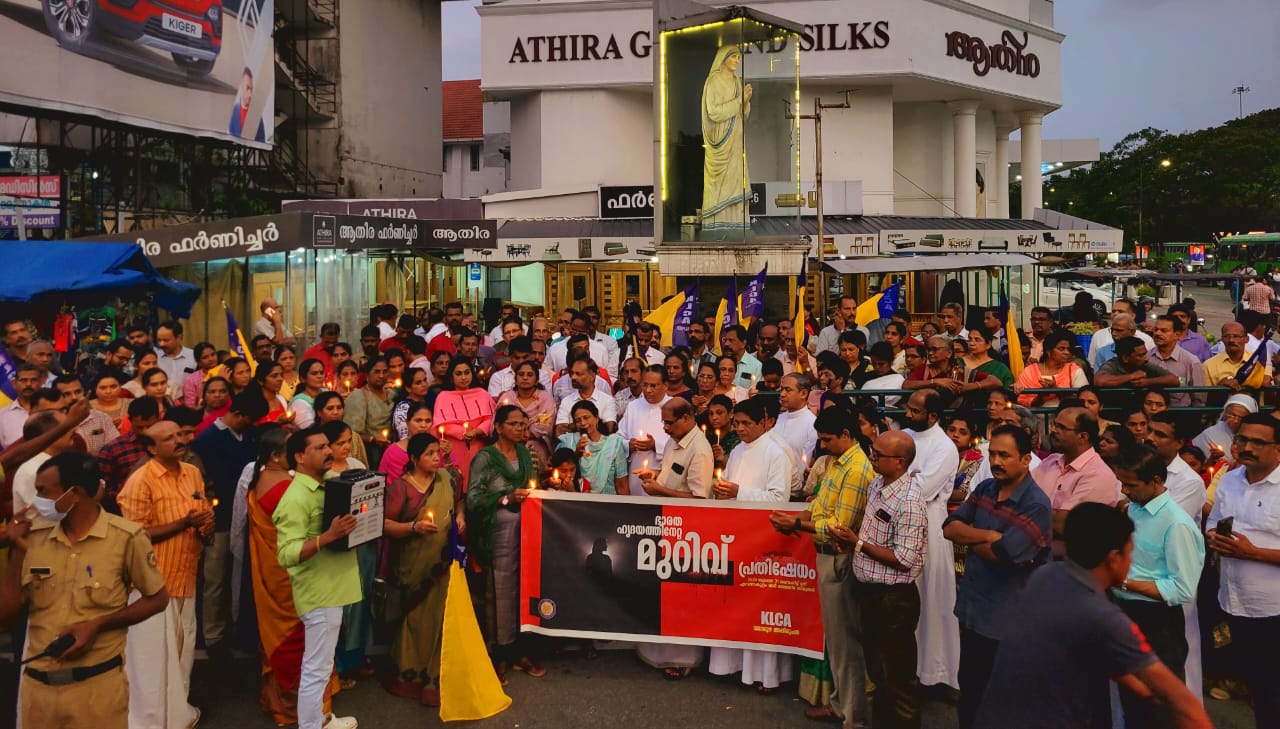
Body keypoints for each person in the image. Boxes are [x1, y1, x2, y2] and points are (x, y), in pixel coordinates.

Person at [974, 503, 1212, 729]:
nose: (1132, 561)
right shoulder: (1102, 617)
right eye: (1131, 553)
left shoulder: (1045, 576)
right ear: (1114, 558)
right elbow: (1185, 705)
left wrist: (1147, 692)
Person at [0, 452, 169, 729]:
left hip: (97, 692)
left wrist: (99, 624)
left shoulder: (126, 537)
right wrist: (17, 550)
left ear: (74, 493)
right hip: (38, 693)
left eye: (44, 491)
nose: (37, 500)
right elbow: (5, 616)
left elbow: (157, 599)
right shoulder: (33, 537)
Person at [768, 406, 875, 727]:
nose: (823, 445)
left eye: (828, 439)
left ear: (846, 435)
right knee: (837, 641)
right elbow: (820, 506)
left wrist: (796, 525)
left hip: (839, 558)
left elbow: (840, 526)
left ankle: (853, 717)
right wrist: (799, 518)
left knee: (845, 644)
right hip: (827, 554)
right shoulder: (837, 463)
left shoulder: (855, 469)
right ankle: (841, 705)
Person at [943, 425, 1051, 729]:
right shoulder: (986, 489)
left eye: (1005, 455)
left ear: (1026, 459)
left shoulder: (1036, 504)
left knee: (1002, 706)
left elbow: (1005, 553)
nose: (996, 461)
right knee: (970, 696)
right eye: (992, 454)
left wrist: (973, 538)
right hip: (973, 611)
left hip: (1007, 622)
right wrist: (989, 536)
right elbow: (949, 528)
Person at [826, 430, 925, 729]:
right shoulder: (877, 485)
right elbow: (871, 536)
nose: (872, 457)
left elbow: (904, 558)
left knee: (898, 679)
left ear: (900, 461)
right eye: (873, 451)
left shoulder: (909, 501)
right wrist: (851, 543)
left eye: (879, 455)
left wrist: (857, 543)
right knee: (879, 673)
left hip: (892, 599)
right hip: (869, 592)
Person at [118, 422, 214, 728]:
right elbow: (135, 534)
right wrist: (184, 524)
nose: (179, 440)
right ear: (151, 448)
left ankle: (176, 715)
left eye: (180, 435)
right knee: (151, 661)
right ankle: (147, 721)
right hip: (152, 584)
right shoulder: (140, 481)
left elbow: (200, 515)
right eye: (169, 438)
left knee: (182, 652)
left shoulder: (192, 472)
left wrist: (205, 525)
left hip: (185, 576)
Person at [246, 427, 341, 725]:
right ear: (277, 456)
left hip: (275, 576)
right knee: (304, 650)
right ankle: (301, 714)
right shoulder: (286, 491)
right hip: (292, 577)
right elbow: (300, 540)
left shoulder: (264, 477)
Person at [1111, 446, 1206, 727]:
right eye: (1122, 483)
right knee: (1132, 705)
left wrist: (1124, 582)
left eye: (1131, 485)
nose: (1124, 490)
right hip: (1125, 614)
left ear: (1155, 480)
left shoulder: (1177, 524)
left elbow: (1181, 589)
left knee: (1158, 711)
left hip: (1157, 625)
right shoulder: (1134, 509)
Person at [274, 428, 361, 729]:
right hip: (319, 592)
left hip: (332, 586)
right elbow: (286, 553)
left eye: (328, 446)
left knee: (322, 665)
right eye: (320, 447)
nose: (328, 451)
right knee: (316, 668)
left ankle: (320, 720)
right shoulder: (295, 498)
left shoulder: (329, 483)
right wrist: (328, 537)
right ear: (299, 456)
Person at [708, 398, 794, 694]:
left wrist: (739, 491)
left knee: (761, 609)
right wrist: (723, 491)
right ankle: (732, 665)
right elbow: (731, 487)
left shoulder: (776, 452)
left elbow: (779, 499)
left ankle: (766, 675)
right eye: (737, 424)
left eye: (747, 423)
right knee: (736, 604)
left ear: (763, 423)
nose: (741, 429)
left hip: (764, 538)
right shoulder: (736, 451)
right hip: (737, 535)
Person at [1205, 413, 1280, 728]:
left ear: (1278, 448)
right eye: (1242, 439)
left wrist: (1253, 553)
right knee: (1258, 687)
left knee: (1272, 691)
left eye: (1258, 442)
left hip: (1274, 609)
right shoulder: (1230, 479)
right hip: (1234, 601)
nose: (1247, 447)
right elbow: (1213, 521)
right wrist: (1213, 536)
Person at [465, 406, 545, 683]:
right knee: (499, 591)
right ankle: (499, 654)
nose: (520, 429)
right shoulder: (485, 458)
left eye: (523, 424)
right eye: (514, 424)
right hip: (498, 531)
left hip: (527, 529)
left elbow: (535, 485)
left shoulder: (525, 453)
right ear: (498, 427)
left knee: (525, 587)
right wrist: (504, 499)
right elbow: (473, 499)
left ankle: (521, 651)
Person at [381, 433, 457, 707]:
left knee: (440, 619)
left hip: (442, 563)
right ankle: (408, 677)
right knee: (415, 621)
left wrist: (460, 518)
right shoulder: (400, 488)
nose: (437, 458)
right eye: (429, 454)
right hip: (413, 568)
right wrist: (414, 527)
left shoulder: (448, 479)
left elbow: (460, 503)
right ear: (414, 459)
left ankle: (436, 677)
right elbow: (384, 524)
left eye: (438, 452)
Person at [191, 392, 266, 657]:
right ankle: (213, 634)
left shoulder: (249, 434)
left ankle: (238, 627)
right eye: (251, 420)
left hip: (247, 517)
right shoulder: (207, 441)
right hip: (221, 518)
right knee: (216, 578)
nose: (253, 425)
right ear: (238, 415)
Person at [899, 389, 960, 691]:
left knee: (933, 601)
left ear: (933, 416)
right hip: (900, 524)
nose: (908, 414)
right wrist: (907, 478)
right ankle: (907, 671)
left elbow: (922, 489)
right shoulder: (904, 436)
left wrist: (903, 479)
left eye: (915, 411)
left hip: (930, 523)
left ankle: (936, 674)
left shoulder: (945, 447)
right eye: (908, 408)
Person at [1031, 407, 1118, 554]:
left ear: (1083, 436)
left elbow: (1063, 525)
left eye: (1061, 427)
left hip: (1068, 560)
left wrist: (1028, 509)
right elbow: (1017, 495)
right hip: (1032, 548)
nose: (1054, 430)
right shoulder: (1051, 461)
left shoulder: (1098, 475)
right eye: (1054, 424)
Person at [699, 44, 751, 237]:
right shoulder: (713, 81)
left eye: (738, 57)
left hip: (736, 137)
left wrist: (745, 102)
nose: (737, 60)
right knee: (719, 183)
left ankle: (736, 221)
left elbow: (743, 114)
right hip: (721, 138)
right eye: (734, 56)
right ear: (723, 58)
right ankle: (717, 221)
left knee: (737, 178)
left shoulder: (737, 81)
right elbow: (713, 112)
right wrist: (739, 101)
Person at [432, 357, 494, 484]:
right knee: (456, 485)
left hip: (480, 446)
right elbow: (442, 424)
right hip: (453, 449)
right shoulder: (443, 396)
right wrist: (463, 433)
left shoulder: (483, 394)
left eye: (467, 372)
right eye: (458, 374)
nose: (464, 377)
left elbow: (491, 419)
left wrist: (476, 432)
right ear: (451, 377)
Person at [97, 396, 163, 514]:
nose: (145, 431)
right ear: (130, 420)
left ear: (158, 419)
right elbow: (103, 488)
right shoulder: (113, 449)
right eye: (139, 427)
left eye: (149, 426)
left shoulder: (169, 442)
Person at [556, 401, 629, 495]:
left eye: (586, 418)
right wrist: (576, 454)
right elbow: (557, 476)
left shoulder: (613, 443)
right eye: (578, 421)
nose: (583, 423)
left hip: (607, 501)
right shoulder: (568, 442)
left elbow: (621, 484)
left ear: (596, 417)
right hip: (575, 501)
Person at [1013, 329, 1088, 408]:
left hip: (1067, 415)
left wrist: (1056, 390)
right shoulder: (1030, 371)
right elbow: (1021, 401)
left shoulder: (1074, 370)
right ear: (1048, 351)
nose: (1067, 352)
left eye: (1068, 349)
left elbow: (1082, 400)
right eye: (1061, 349)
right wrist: (1041, 398)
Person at [344, 356, 393, 466]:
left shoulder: (391, 395)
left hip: (390, 449)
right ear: (367, 375)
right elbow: (352, 434)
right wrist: (372, 439)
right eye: (376, 372)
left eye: (385, 372)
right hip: (369, 453)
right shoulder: (358, 396)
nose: (381, 375)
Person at [497, 360, 556, 449]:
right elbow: (498, 422)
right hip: (508, 441)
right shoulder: (507, 397)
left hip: (535, 442)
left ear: (536, 380)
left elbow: (545, 426)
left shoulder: (545, 398)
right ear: (515, 380)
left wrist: (523, 434)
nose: (525, 378)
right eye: (521, 374)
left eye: (529, 375)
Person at [555, 355, 618, 436]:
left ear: (592, 376)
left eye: (578, 374)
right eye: (572, 373)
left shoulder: (607, 400)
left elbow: (609, 429)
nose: (573, 377)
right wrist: (593, 423)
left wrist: (573, 426)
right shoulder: (566, 401)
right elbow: (559, 431)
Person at [378, 402, 436, 483]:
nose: (423, 425)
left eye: (428, 421)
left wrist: (447, 459)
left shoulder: (438, 449)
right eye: (418, 420)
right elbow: (383, 483)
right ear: (407, 422)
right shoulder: (393, 452)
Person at [1192, 394, 1256, 462]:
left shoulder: (1256, 435)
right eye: (1232, 415)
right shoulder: (1210, 435)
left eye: (1241, 417)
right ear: (1225, 413)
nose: (1235, 421)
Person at [391, 367, 431, 440]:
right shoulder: (403, 408)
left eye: (425, 380)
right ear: (408, 388)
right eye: (418, 383)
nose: (424, 384)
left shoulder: (428, 402)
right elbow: (404, 437)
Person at [289, 358, 329, 429]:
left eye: (321, 373)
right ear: (302, 379)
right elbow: (308, 429)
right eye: (314, 373)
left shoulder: (327, 392)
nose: (319, 376)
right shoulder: (299, 403)